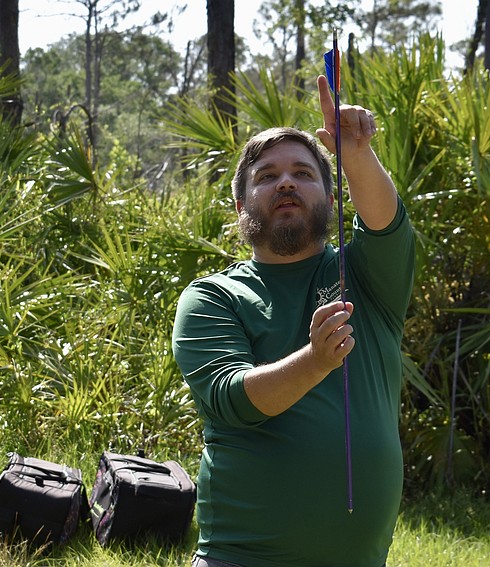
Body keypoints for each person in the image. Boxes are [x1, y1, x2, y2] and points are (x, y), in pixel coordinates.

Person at [171, 74, 415, 567]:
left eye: (304, 173)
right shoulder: (213, 296)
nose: (285, 182)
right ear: (242, 208)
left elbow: (386, 223)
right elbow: (231, 400)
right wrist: (315, 361)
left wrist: (356, 151)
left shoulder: (366, 275)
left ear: (331, 197)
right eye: (266, 176)